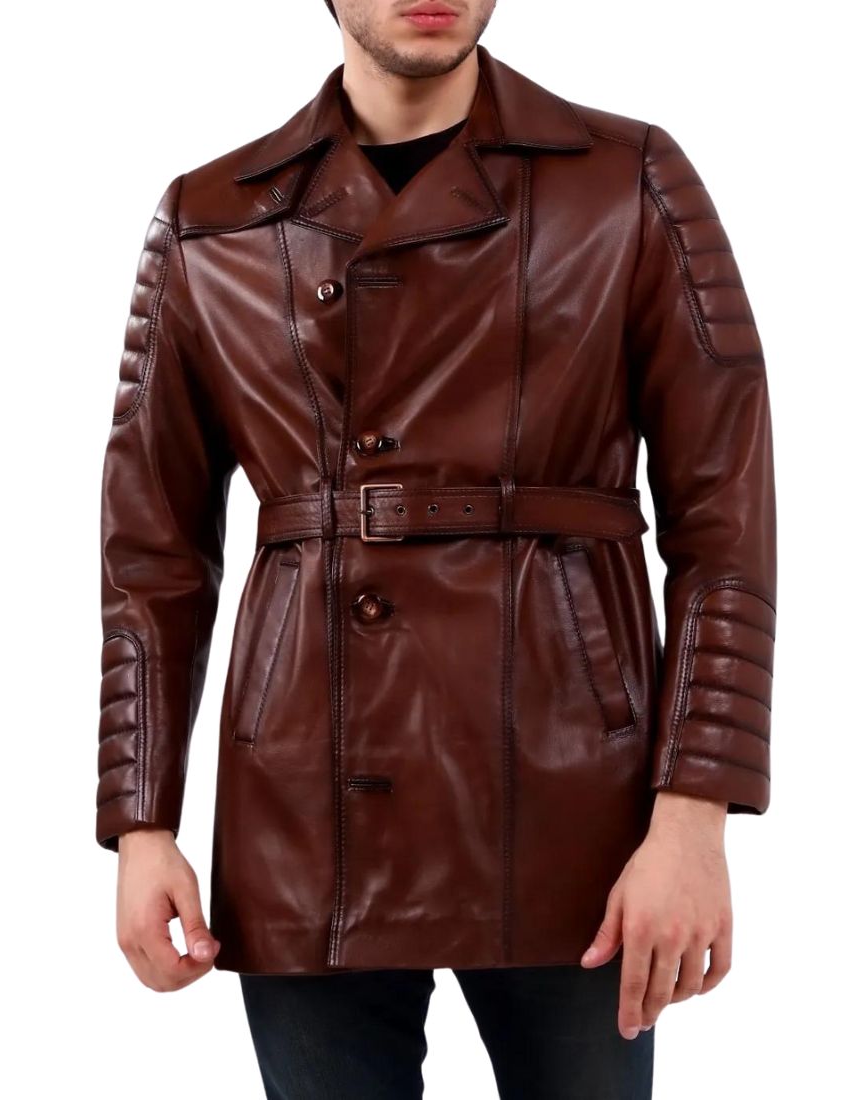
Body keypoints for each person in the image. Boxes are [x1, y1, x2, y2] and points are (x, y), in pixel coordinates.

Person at [96, 2, 777, 1097]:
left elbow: (727, 528)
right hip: (303, 809)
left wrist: (695, 811)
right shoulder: (208, 217)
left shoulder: (629, 180)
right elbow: (151, 556)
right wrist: (141, 819)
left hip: (578, 799)